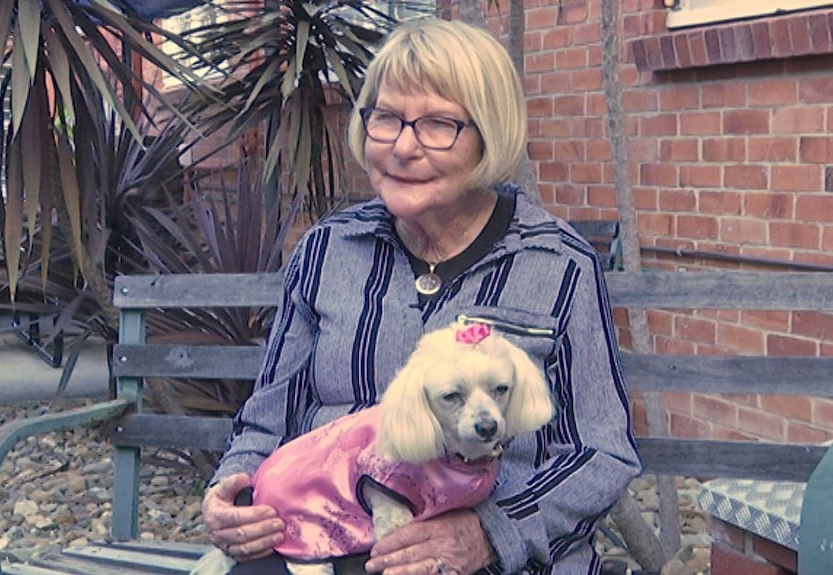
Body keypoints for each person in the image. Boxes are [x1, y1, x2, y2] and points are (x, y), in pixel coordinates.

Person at [199, 17, 640, 575]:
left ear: (489, 134)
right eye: (386, 118)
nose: (402, 147)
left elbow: (600, 452)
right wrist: (232, 492)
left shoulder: (557, 265)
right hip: (333, 536)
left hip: (497, 557)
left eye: (437, 124)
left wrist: (490, 532)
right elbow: (268, 419)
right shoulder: (327, 251)